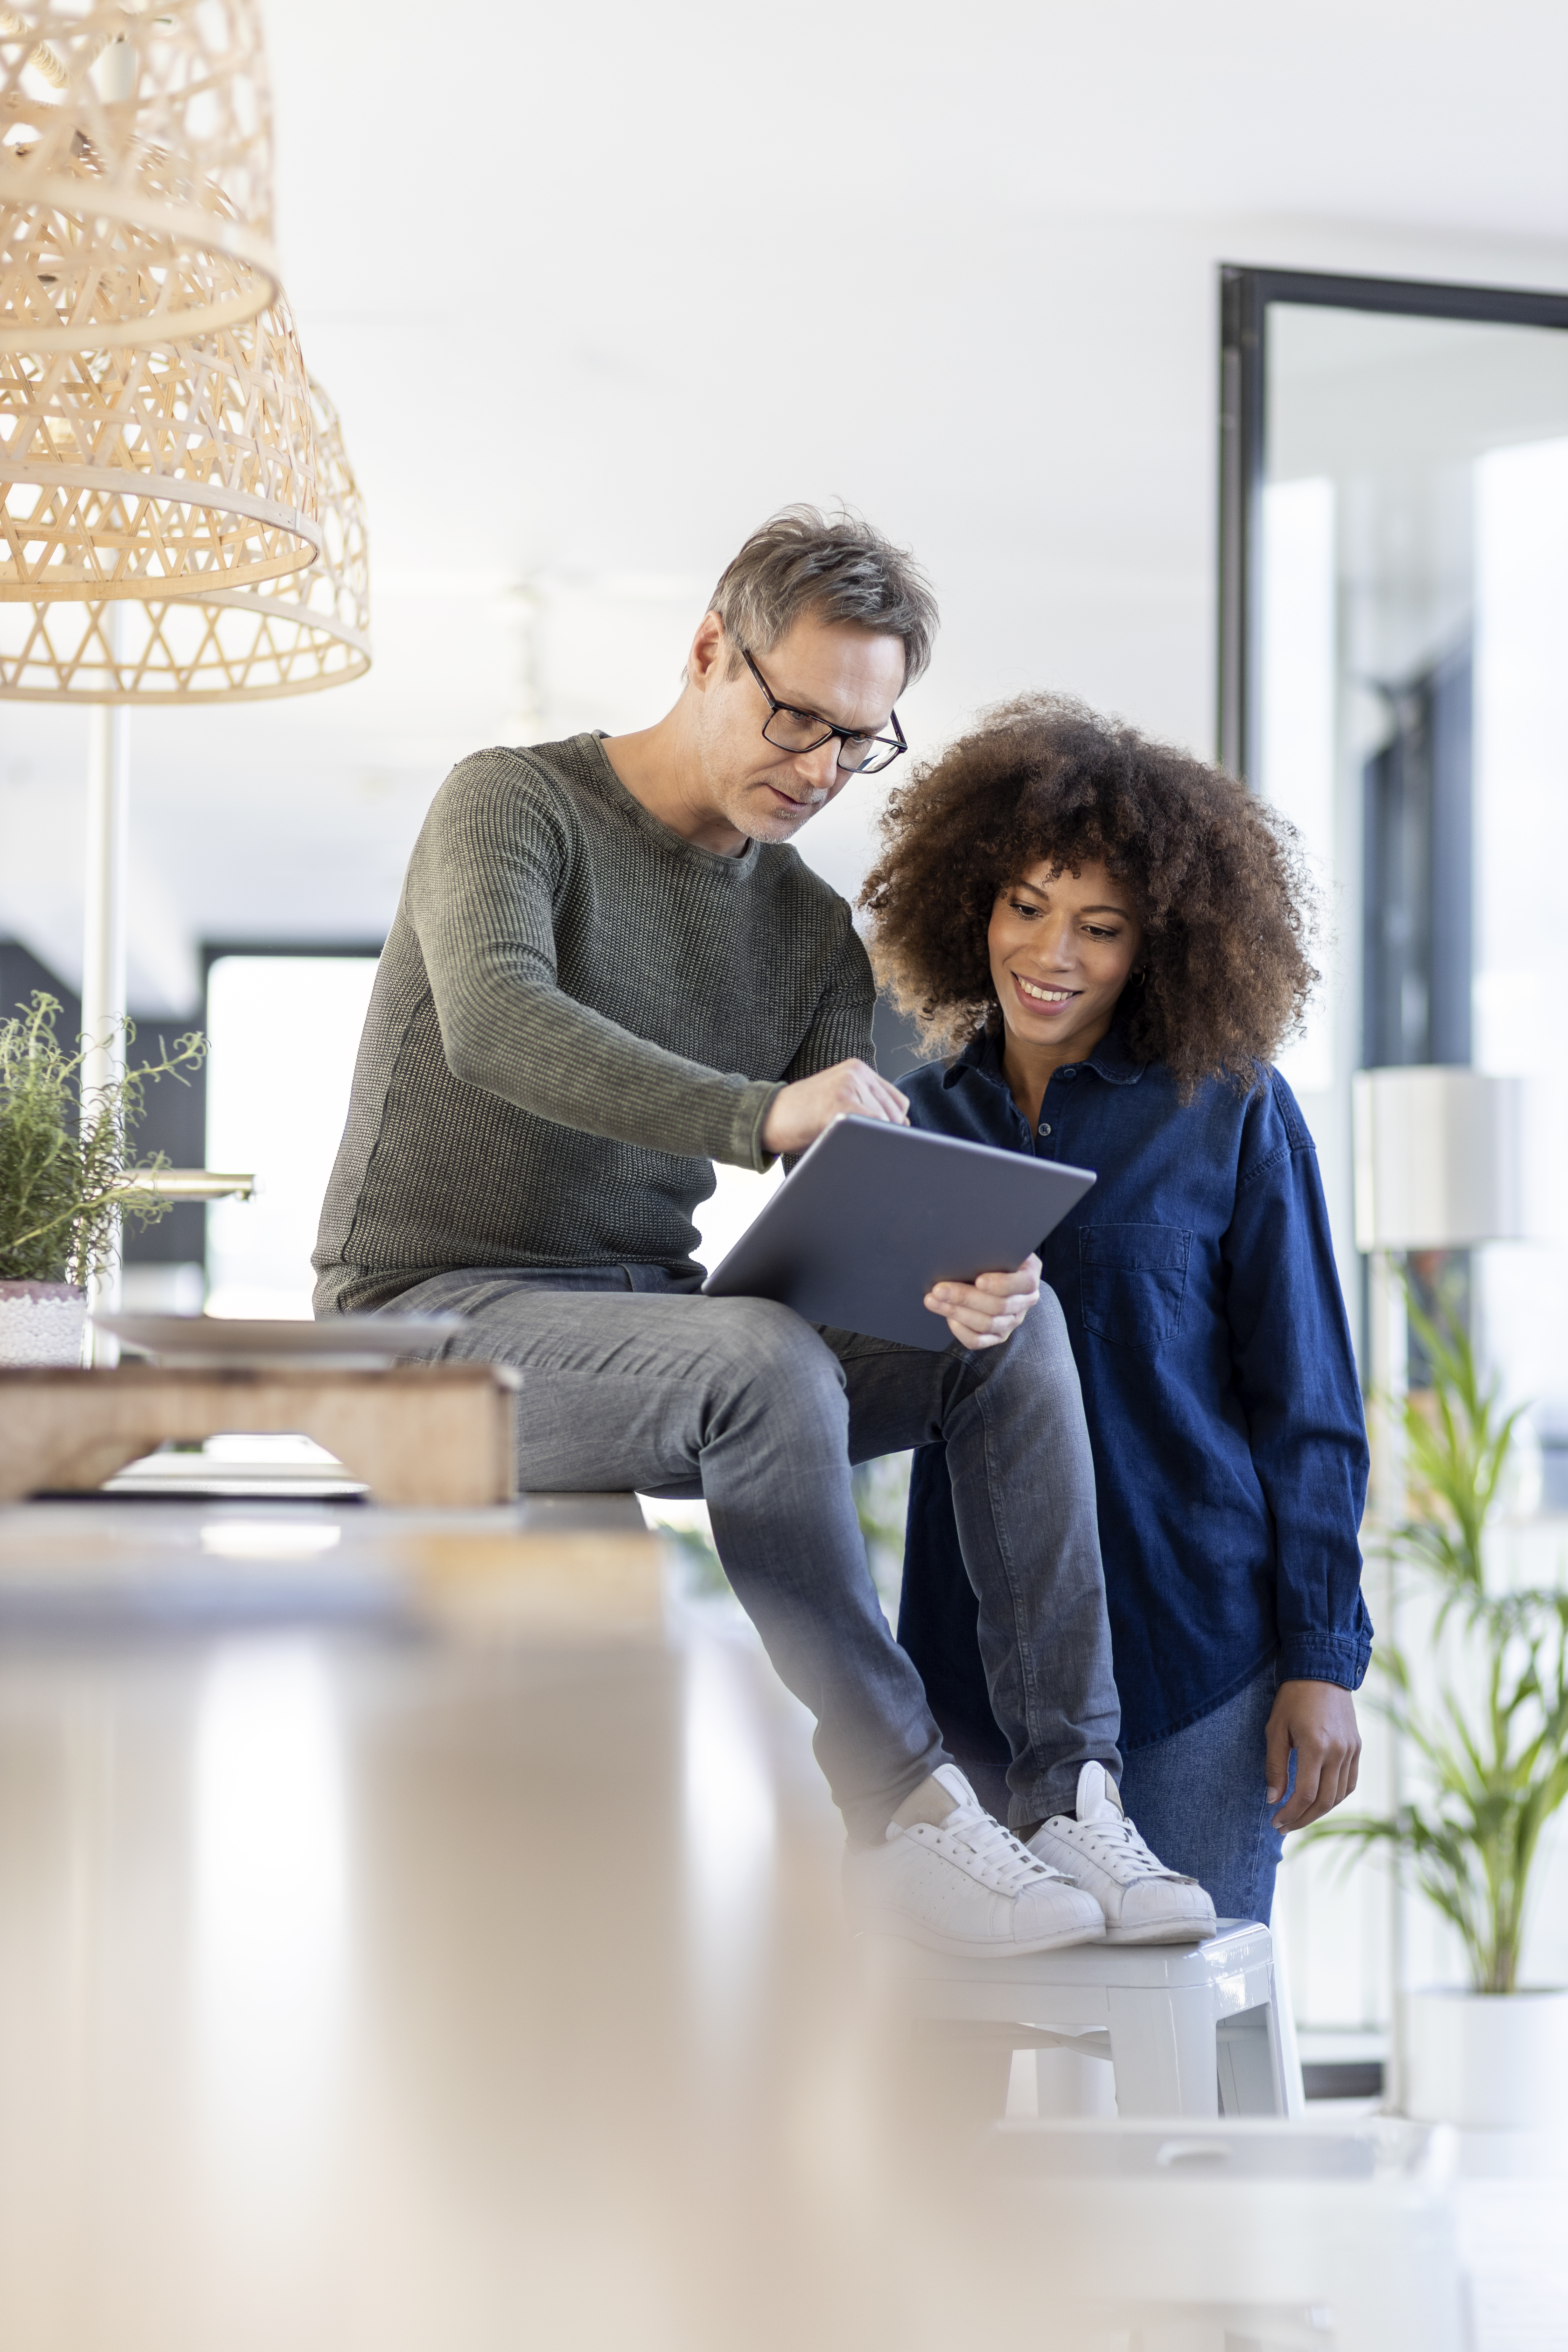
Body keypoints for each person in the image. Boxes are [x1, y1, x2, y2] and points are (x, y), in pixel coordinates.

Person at [313, 510, 1207, 1958]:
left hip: (641, 1327)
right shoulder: (509, 806)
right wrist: (756, 1111)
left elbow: (850, 1190)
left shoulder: (806, 930)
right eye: (796, 717)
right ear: (706, 654)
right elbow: (497, 1028)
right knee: (760, 1360)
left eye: (858, 742)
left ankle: (1066, 1794)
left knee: (1009, 1324)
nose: (819, 769)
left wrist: (957, 1274)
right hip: (426, 1318)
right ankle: (903, 1808)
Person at [859, 693, 1371, 1927]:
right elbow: (850, 1386)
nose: (1053, 955)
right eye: (1026, 907)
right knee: (937, 2065)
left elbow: (1307, 1404)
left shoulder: (1231, 1111)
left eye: (1102, 927)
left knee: (1182, 2046)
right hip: (970, 1668)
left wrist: (1321, 1660)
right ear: (972, 903)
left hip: (1195, 1665)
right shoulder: (912, 1120)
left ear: (1158, 945)